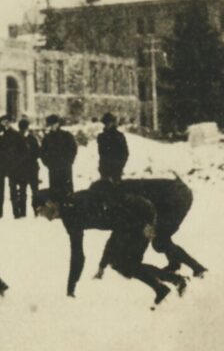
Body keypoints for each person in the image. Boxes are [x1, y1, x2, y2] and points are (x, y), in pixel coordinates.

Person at [33, 186, 187, 304]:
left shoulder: (79, 202)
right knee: (120, 264)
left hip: (139, 212)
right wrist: (71, 289)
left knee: (126, 264)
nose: (42, 216)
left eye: (40, 210)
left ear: (49, 203)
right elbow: (77, 254)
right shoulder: (69, 218)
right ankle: (166, 286)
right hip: (123, 223)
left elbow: (118, 204)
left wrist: (143, 225)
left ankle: (171, 283)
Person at [93, 178, 207, 279]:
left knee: (159, 240)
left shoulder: (123, 196)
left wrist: (148, 227)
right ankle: (176, 264)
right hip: (176, 193)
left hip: (175, 196)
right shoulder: (120, 192)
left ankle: (198, 268)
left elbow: (147, 210)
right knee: (161, 238)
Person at [0, 115, 24, 219]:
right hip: (0, 165)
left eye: (7, 122)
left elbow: (23, 150)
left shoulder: (16, 135)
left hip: (13, 165)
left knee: (13, 188)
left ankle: (16, 212)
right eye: (3, 122)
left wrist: (18, 161)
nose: (6, 124)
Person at [40, 115, 78, 200]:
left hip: (65, 167)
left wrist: (69, 161)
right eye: (50, 124)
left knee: (67, 190)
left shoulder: (66, 135)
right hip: (53, 168)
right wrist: (48, 163)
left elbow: (73, 149)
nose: (52, 126)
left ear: (58, 124)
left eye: (54, 124)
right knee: (55, 191)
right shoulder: (47, 138)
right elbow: (42, 152)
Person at [10, 119, 40, 218]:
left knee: (33, 190)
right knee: (24, 190)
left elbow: (37, 153)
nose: (23, 130)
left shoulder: (31, 138)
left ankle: (35, 210)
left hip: (30, 168)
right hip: (23, 168)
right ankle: (24, 212)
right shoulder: (18, 138)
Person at [97, 113, 129, 182]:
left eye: (109, 122)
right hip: (104, 170)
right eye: (106, 123)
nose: (107, 125)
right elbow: (101, 154)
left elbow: (125, 153)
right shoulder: (101, 137)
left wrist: (119, 166)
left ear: (113, 123)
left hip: (116, 169)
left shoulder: (119, 136)